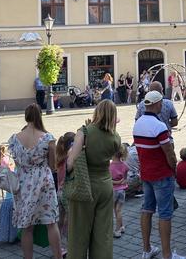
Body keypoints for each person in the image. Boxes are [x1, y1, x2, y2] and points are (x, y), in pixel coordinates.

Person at [66, 100, 122, 257]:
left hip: (84, 185)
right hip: (105, 185)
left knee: (79, 234)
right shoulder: (115, 137)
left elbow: (71, 163)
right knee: (103, 234)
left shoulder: (84, 132)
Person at [133, 91, 185, 259]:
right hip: (162, 175)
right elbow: (169, 154)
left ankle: (146, 249)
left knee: (146, 209)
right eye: (161, 103)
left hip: (146, 174)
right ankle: (168, 255)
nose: (162, 106)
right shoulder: (159, 127)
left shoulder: (138, 124)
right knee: (165, 214)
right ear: (156, 104)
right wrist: (174, 169)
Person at [8, 104, 62, 259]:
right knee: (51, 223)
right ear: (39, 116)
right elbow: (53, 166)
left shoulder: (15, 139)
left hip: (24, 183)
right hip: (44, 182)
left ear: (26, 117)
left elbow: (17, 163)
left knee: (27, 227)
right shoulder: (48, 138)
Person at [55, 132, 75, 257]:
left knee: (60, 221)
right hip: (67, 193)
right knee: (69, 221)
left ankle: (58, 246)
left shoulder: (60, 157)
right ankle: (70, 246)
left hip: (59, 193)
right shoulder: (70, 159)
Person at [110, 144, 130, 239]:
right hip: (122, 191)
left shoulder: (110, 167)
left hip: (113, 191)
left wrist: (116, 182)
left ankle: (117, 230)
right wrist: (120, 182)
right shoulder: (125, 166)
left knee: (115, 210)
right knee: (119, 210)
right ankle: (121, 226)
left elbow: (108, 180)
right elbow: (125, 179)